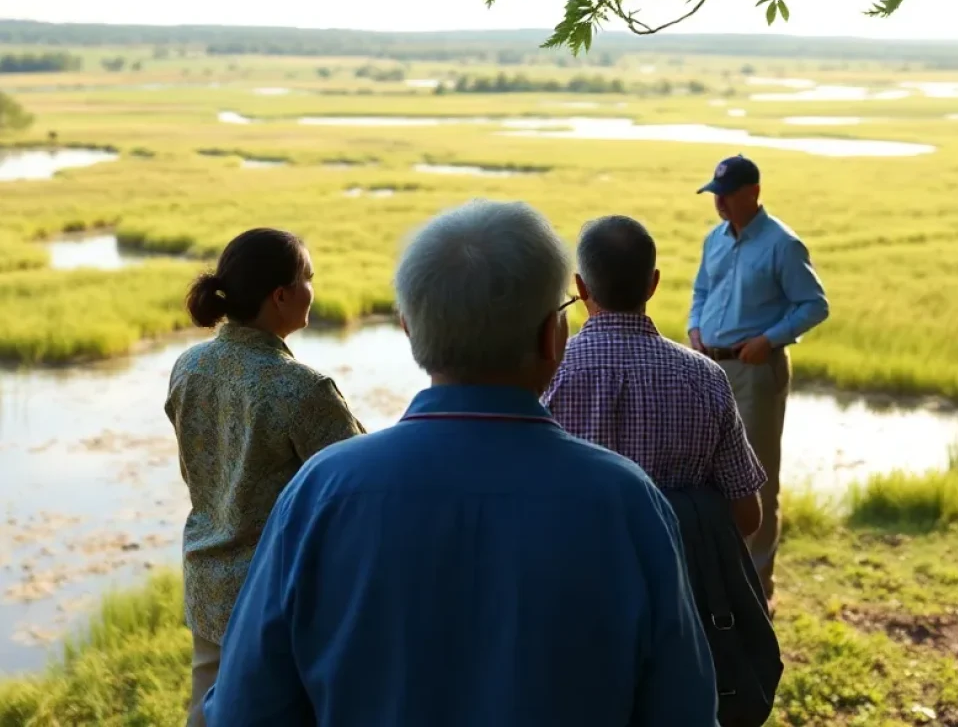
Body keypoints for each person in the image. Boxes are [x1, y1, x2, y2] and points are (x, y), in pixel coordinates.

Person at [204, 200, 718, 727]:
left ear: (408, 329)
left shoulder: (322, 494)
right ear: (551, 337)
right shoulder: (629, 503)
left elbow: (243, 709)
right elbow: (686, 711)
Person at [166, 227, 365, 727]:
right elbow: (363, 483)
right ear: (281, 296)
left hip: (207, 579)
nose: (313, 290)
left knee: (207, 710)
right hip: (276, 596)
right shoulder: (301, 389)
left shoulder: (188, 366)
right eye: (308, 278)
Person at [543, 214, 766, 539]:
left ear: (580, 286)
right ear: (653, 284)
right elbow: (747, 517)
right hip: (677, 581)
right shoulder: (707, 378)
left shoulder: (549, 372)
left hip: (573, 576)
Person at [688, 156, 829, 602]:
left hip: (754, 373)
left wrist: (769, 340)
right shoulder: (715, 239)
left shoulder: (782, 244)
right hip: (710, 367)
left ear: (753, 191)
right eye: (715, 195)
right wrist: (695, 327)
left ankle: (756, 591)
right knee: (706, 472)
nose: (720, 203)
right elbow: (701, 291)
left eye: (727, 195)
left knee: (757, 479)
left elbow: (814, 305)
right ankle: (718, 578)